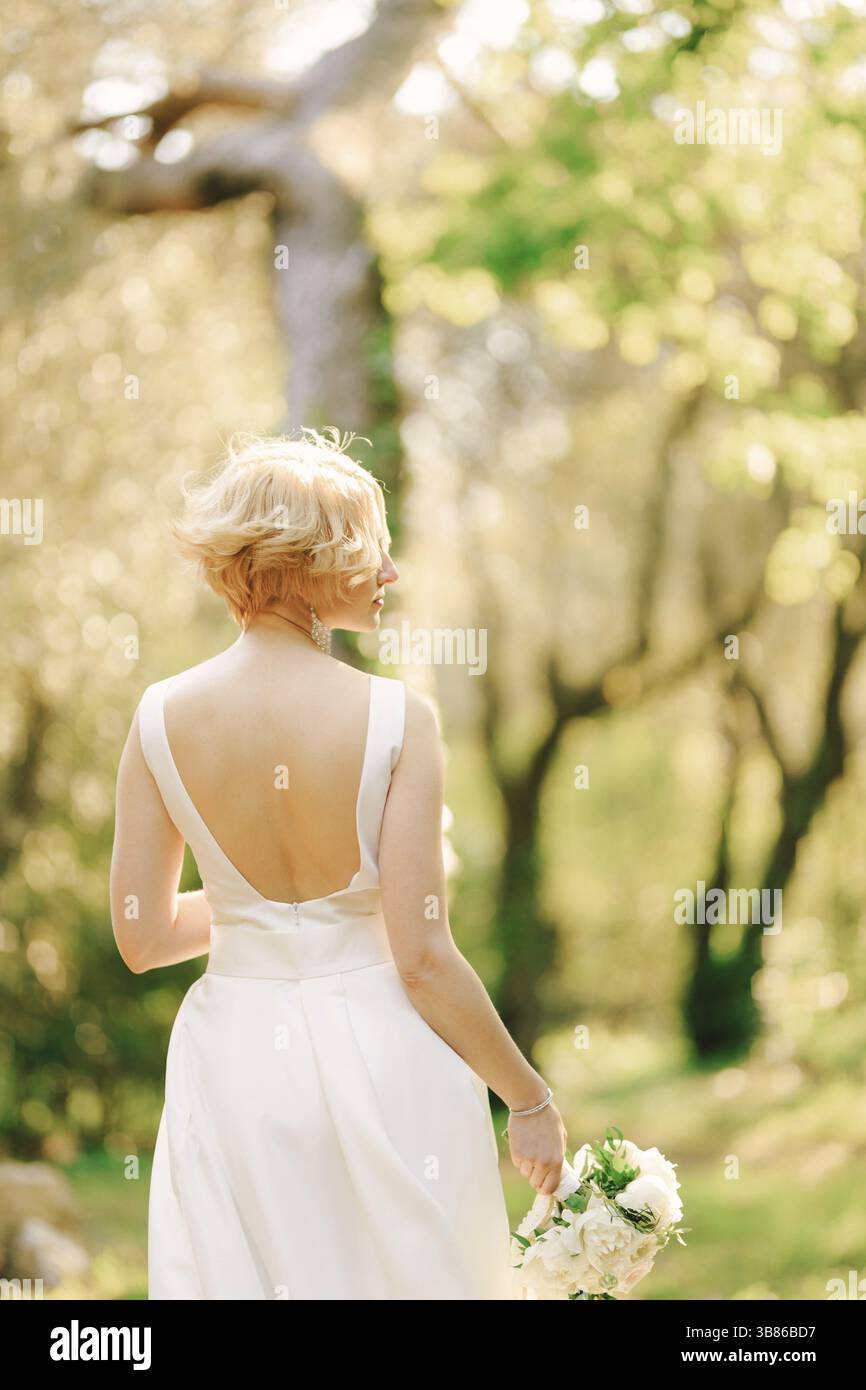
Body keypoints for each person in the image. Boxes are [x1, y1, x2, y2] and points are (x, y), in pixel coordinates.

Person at [110, 427, 567, 1300]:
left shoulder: (159, 718)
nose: (390, 574)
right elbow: (422, 958)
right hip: (388, 1057)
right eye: (367, 551)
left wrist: (258, 911)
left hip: (234, 1062)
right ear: (295, 565)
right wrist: (531, 1100)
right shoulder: (398, 717)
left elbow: (144, 938)